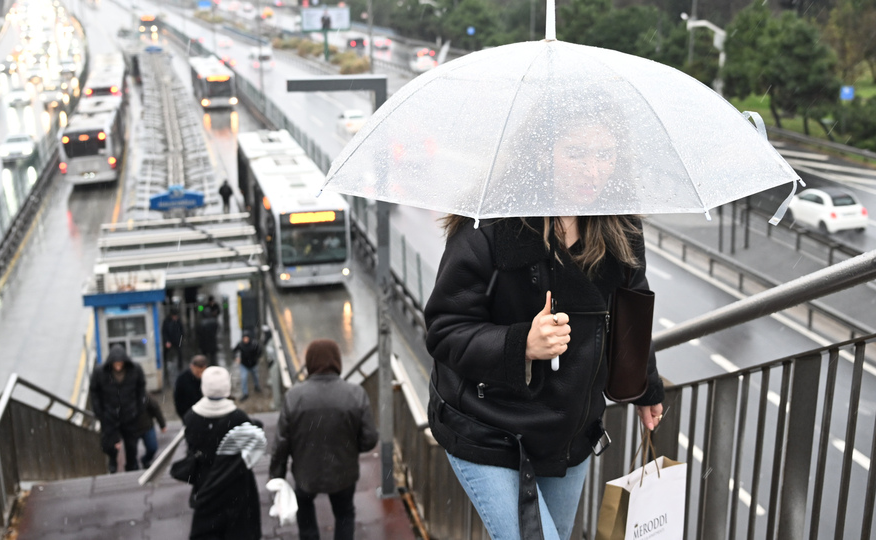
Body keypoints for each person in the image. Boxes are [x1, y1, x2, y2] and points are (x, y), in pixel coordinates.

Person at [424, 100, 665, 539]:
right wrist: (521, 345)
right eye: (575, 153)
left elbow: (631, 312)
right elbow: (444, 330)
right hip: (488, 428)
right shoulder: (489, 227)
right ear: (540, 152)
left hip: (568, 433)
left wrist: (644, 385)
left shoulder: (619, 227)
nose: (593, 172)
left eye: (605, 155)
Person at [270, 339, 379, 540]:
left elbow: (282, 442)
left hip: (305, 473)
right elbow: (370, 438)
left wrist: (276, 476)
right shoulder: (355, 394)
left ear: (310, 362)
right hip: (343, 472)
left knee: (306, 515)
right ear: (337, 361)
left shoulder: (294, 396)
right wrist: (351, 447)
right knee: (344, 513)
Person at [184, 366, 265, 540]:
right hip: (237, 482)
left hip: (207, 482)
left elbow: (192, 448)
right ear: (226, 387)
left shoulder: (191, 417)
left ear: (204, 387)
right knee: (241, 530)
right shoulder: (238, 417)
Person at [90, 345, 148, 473]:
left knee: (131, 444)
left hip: (130, 413)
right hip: (109, 415)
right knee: (109, 444)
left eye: (120, 362)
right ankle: (113, 462)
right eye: (115, 363)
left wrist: (139, 408)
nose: (118, 365)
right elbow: (94, 391)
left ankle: (131, 466)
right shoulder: (100, 372)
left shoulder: (135, 370)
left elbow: (141, 388)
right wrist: (99, 411)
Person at [136, 394, 168, 469]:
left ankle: (145, 461)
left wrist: (162, 424)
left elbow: (155, 408)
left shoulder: (143, 395)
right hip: (131, 429)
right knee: (131, 453)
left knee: (152, 448)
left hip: (147, 427)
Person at [233, 332, 262, 401]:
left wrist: (256, 358)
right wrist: (235, 358)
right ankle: (245, 393)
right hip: (244, 365)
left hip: (253, 365)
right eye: (244, 338)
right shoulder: (240, 344)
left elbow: (260, 351)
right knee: (243, 378)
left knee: (256, 376)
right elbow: (234, 351)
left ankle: (257, 386)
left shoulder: (254, 344)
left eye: (247, 338)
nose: (245, 340)